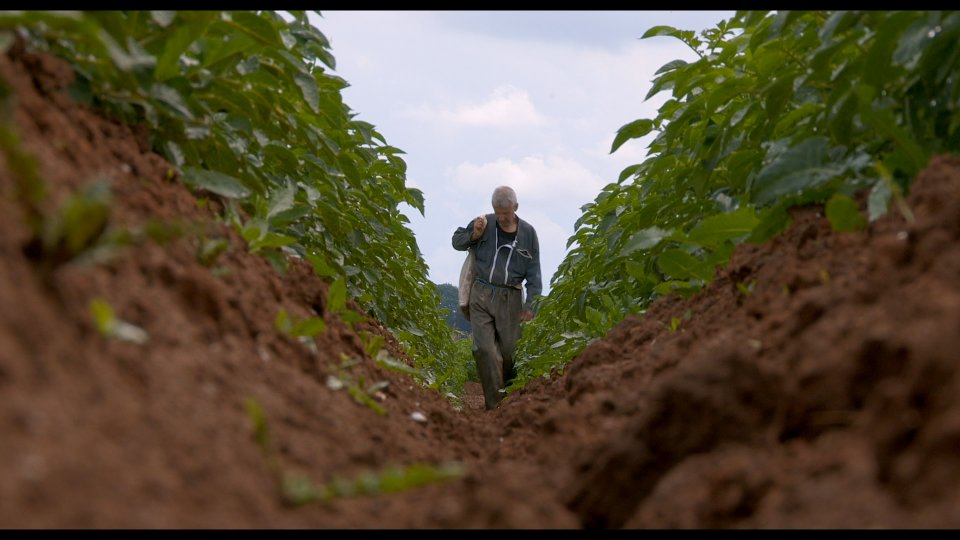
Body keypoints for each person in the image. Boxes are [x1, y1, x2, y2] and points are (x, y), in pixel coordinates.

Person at [452, 186, 542, 410]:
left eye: (506, 213)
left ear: (516, 208)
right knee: (484, 349)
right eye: (498, 212)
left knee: (510, 354)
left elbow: (534, 273)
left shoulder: (528, 234)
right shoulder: (484, 222)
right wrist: (474, 234)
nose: (501, 218)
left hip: (510, 297)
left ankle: (511, 401)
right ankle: (495, 407)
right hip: (481, 293)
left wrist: (531, 304)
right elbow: (457, 241)